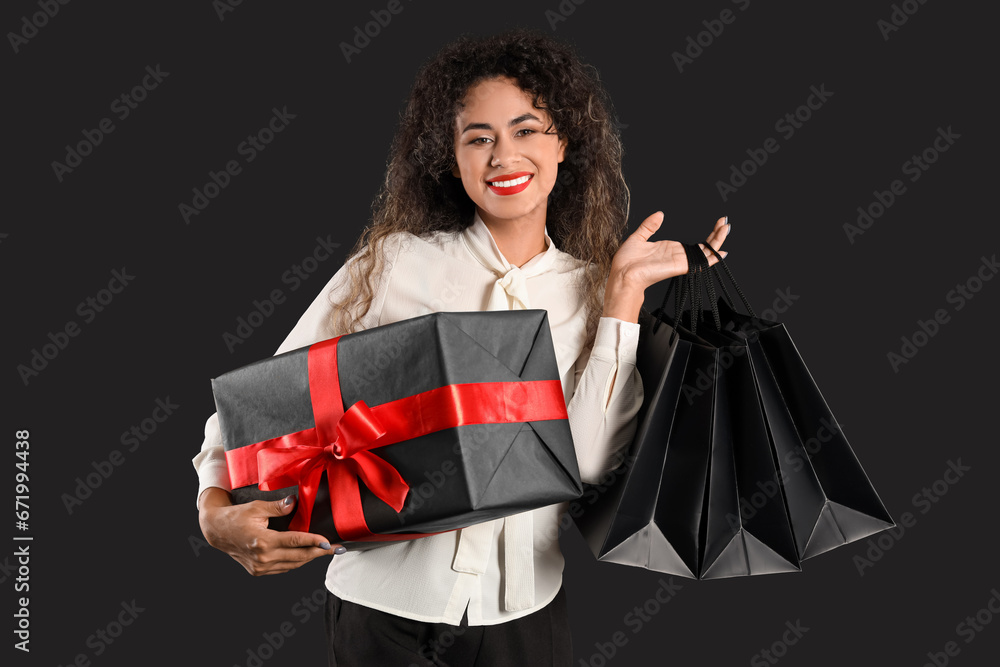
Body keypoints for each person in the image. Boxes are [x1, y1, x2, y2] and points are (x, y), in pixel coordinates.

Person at [193, 28, 730, 666]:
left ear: (564, 145)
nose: (504, 156)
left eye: (527, 130)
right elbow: (266, 401)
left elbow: (583, 465)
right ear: (451, 158)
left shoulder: (593, 292)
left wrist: (622, 298)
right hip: (379, 610)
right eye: (479, 138)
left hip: (523, 616)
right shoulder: (395, 264)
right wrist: (212, 508)